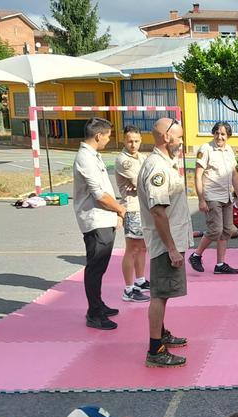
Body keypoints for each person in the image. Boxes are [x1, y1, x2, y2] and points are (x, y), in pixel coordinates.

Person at [137, 117, 190, 367]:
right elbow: (158, 211)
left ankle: (162, 333)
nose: (181, 141)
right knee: (159, 294)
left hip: (170, 240)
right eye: (179, 137)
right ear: (166, 138)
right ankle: (155, 348)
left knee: (165, 293)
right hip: (164, 244)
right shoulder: (157, 168)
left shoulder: (165, 163)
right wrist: (171, 249)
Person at [73, 117, 126, 330]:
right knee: (95, 267)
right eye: (107, 136)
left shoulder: (93, 155)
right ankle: (94, 313)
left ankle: (98, 305)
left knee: (100, 267)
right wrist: (120, 209)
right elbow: (99, 195)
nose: (108, 139)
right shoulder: (85, 158)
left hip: (105, 218)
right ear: (98, 135)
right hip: (95, 220)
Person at [189, 122, 238, 276]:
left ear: (228, 136)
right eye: (217, 133)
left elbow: (234, 175)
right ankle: (196, 255)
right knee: (215, 230)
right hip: (212, 195)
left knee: (226, 231)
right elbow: (198, 175)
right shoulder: (206, 149)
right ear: (213, 134)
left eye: (223, 134)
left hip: (226, 196)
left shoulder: (229, 150)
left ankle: (220, 264)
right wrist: (201, 199)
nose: (220, 137)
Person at [114, 125, 150, 303]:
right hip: (132, 207)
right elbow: (141, 182)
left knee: (143, 247)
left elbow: (147, 180)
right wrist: (141, 184)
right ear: (124, 140)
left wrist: (143, 184)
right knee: (132, 249)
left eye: (136, 141)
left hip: (143, 206)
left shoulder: (142, 157)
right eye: (129, 141)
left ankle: (140, 281)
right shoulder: (123, 160)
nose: (133, 144)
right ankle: (128, 289)